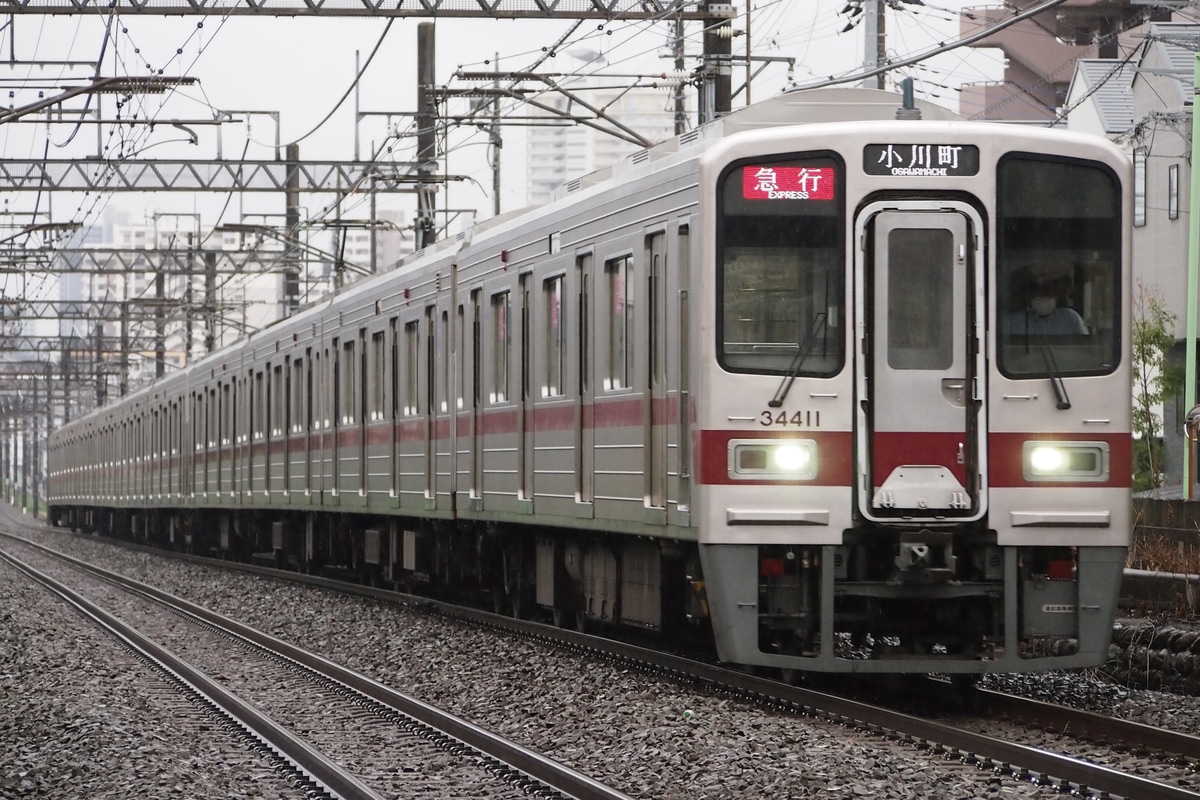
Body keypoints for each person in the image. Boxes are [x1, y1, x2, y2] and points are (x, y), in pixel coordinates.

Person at [1006, 269, 1088, 336]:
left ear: (1055, 294)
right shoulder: (1014, 321)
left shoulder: (1071, 319)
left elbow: (1084, 349)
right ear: (1029, 296)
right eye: (1037, 292)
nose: (1043, 296)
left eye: (1047, 291)